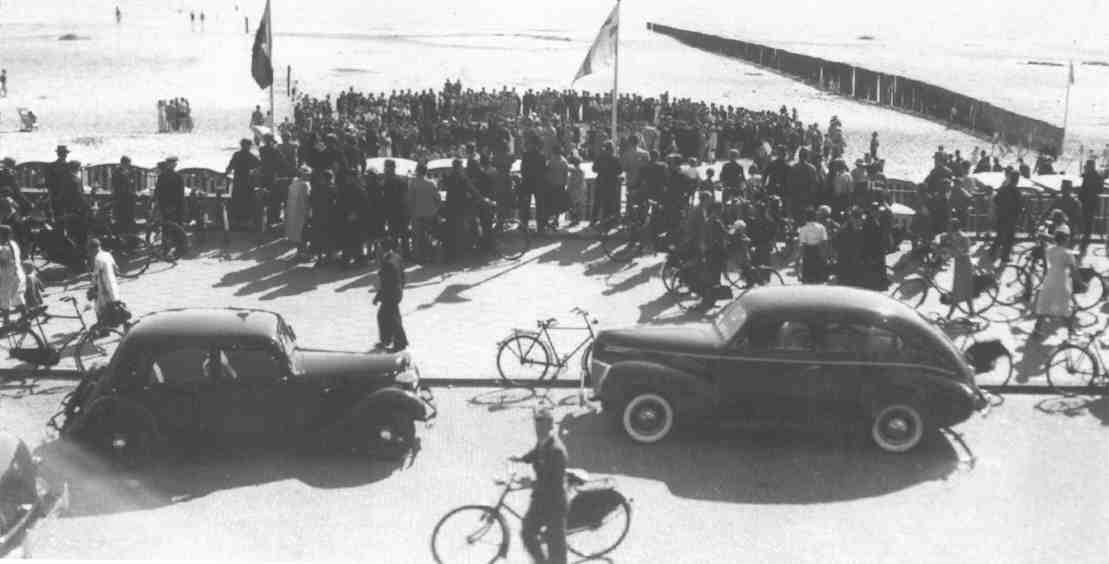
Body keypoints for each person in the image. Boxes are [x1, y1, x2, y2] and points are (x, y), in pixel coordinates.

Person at [510, 408, 568, 564]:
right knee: (527, 532)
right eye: (536, 425)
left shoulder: (556, 451)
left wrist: (531, 483)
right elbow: (536, 453)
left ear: (550, 426)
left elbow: (553, 483)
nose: (538, 429)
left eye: (541, 425)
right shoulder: (544, 442)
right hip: (541, 499)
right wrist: (521, 458)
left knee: (556, 552)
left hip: (555, 503)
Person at [1032, 230, 1077, 337]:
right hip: (1061, 280)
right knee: (1064, 306)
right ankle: (1071, 330)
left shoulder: (1049, 250)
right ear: (1065, 240)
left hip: (1050, 278)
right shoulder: (1068, 253)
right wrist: (1081, 283)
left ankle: (1037, 329)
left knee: (1045, 305)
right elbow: (1074, 270)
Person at [372, 238, 407, 352]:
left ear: (383, 249)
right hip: (396, 292)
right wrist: (401, 288)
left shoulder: (387, 263)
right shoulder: (396, 257)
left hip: (390, 294)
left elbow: (386, 283)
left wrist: (378, 297)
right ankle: (388, 340)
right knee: (388, 316)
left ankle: (399, 343)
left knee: (389, 318)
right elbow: (402, 276)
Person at [407, 162, 441, 263]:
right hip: (430, 214)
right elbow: (438, 199)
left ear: (417, 171)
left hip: (417, 214)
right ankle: (430, 255)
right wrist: (435, 209)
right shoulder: (431, 183)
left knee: (417, 237)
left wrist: (410, 212)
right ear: (426, 172)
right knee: (429, 235)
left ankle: (419, 257)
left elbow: (410, 199)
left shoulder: (413, 183)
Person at [941, 219, 974, 319]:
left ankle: (950, 315)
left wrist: (950, 252)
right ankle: (971, 311)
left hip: (965, 266)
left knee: (960, 291)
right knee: (962, 290)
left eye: (950, 227)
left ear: (954, 228)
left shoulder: (963, 237)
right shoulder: (953, 236)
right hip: (959, 265)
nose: (948, 230)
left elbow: (964, 251)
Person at [225, 139, 260, 229]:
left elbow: (230, 166)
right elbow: (259, 165)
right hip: (247, 180)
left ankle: (237, 221)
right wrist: (254, 173)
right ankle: (246, 220)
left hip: (238, 180)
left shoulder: (237, 154)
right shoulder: (250, 156)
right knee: (247, 200)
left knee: (237, 199)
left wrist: (225, 174)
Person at [989, 169, 1022, 264]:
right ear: (1017, 179)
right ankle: (1004, 256)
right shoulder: (1016, 191)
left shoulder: (1003, 189)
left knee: (1000, 235)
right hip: (1011, 217)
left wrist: (1001, 209)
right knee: (1009, 238)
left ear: (1010, 178)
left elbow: (996, 200)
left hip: (1001, 216)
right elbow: (1019, 206)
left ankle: (992, 252)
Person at [87, 238, 120, 325]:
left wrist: (91, 287)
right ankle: (116, 321)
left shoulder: (97, 258)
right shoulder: (107, 254)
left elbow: (95, 275)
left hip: (104, 285)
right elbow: (116, 268)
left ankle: (105, 325)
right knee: (115, 302)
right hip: (113, 283)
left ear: (93, 249)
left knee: (100, 306)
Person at [0, 226, 25, 324]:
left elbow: (3, 263)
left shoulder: (3, 248)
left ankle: (6, 321)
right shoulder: (13, 244)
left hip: (7, 276)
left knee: (4, 299)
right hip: (17, 273)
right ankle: (24, 316)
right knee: (17, 296)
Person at [285, 166, 311, 256]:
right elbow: (305, 200)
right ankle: (302, 251)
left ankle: (300, 250)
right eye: (307, 175)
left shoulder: (294, 183)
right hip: (301, 211)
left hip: (293, 211)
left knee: (296, 231)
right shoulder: (304, 185)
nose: (309, 177)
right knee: (302, 232)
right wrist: (307, 212)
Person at [592, 142, 622, 221]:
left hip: (601, 180)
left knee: (597, 200)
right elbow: (620, 171)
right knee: (609, 201)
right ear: (612, 149)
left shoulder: (599, 158)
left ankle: (594, 218)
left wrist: (601, 170)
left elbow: (594, 169)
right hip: (611, 182)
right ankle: (606, 218)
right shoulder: (615, 159)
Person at [1079, 159, 1104, 254]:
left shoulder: (1088, 176)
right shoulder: (1097, 176)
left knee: (1087, 219)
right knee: (1089, 219)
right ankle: (1087, 235)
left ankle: (1086, 236)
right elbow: (1100, 189)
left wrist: (1082, 196)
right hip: (1092, 201)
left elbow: (1083, 188)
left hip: (1088, 201)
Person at [797, 208, 828, 283]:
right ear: (815, 217)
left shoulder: (803, 229)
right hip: (818, 250)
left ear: (806, 217)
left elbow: (802, 244)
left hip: (808, 252)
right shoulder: (821, 227)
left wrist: (799, 256)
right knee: (818, 275)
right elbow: (825, 241)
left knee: (808, 276)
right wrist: (825, 254)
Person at [111, 156, 138, 233]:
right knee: (121, 216)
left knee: (129, 216)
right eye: (128, 163)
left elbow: (132, 182)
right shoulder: (117, 172)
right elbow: (116, 185)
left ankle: (128, 231)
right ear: (123, 163)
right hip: (121, 198)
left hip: (129, 198)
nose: (129, 165)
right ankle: (121, 232)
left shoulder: (130, 171)